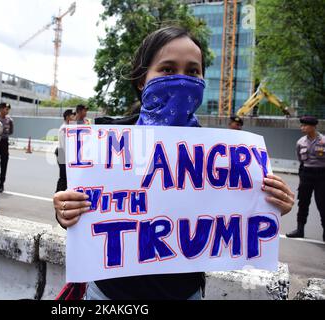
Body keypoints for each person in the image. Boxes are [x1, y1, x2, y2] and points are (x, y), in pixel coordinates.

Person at [52, 26, 295, 301]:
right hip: (109, 294)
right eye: (168, 69)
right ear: (142, 79)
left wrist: (269, 204)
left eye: (192, 72)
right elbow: (69, 210)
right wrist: (64, 211)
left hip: (185, 294)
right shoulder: (100, 141)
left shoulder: (223, 153)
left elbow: (234, 216)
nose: (181, 80)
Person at [286, 116, 325, 241]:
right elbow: (299, 158)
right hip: (306, 173)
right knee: (303, 203)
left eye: (304, 125)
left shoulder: (323, 140)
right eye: (301, 125)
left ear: (313, 126)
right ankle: (300, 229)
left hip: (322, 175)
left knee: (322, 204)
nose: (302, 127)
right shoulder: (300, 142)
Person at [55, 109, 75, 192]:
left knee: (66, 176)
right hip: (62, 153)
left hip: (64, 153)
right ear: (67, 117)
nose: (74, 117)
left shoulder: (68, 127)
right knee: (63, 176)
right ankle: (58, 194)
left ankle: (60, 194)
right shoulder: (64, 128)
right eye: (72, 115)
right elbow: (63, 145)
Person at [0, 102, 14, 193]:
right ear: (0, 109)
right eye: (5, 109)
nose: (6, 111)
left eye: (8, 109)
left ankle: (1, 184)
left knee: (4, 163)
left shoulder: (10, 120)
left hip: (4, 142)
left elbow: (11, 131)